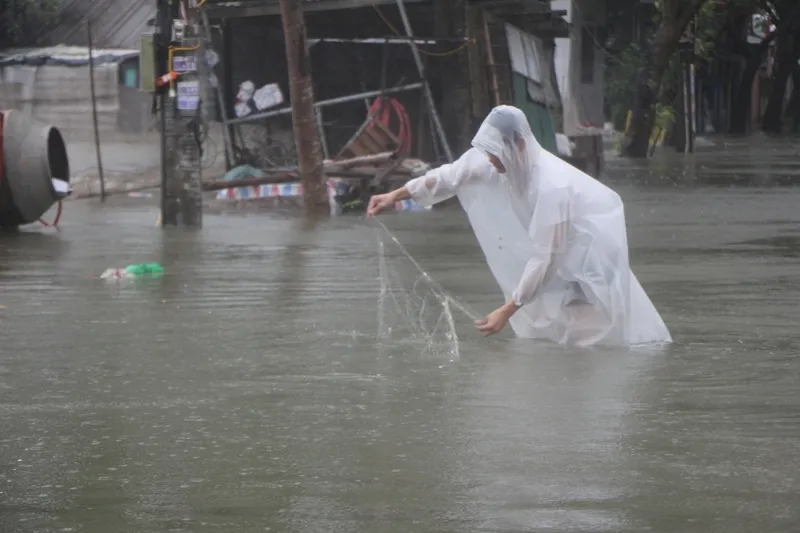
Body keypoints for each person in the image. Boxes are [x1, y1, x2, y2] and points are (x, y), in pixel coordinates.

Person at [367, 105, 671, 347]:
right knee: (556, 334)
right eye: (489, 154)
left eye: (496, 155)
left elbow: (547, 256)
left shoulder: (553, 187)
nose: (492, 162)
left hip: (590, 261)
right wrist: (395, 195)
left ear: (520, 145)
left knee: (592, 339)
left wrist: (508, 309)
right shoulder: (498, 160)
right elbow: (449, 176)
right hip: (560, 260)